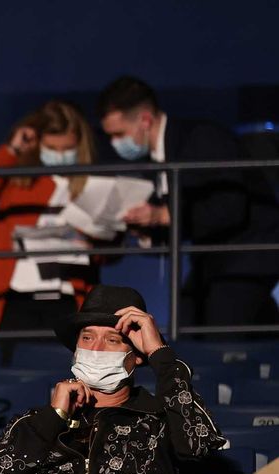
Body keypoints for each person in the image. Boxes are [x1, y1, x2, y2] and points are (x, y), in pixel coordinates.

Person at [0, 285, 226, 474]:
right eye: (86, 337)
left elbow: (199, 444)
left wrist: (161, 355)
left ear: (138, 356)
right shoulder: (36, 422)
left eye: (112, 340)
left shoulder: (160, 418)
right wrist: (53, 418)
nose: (96, 349)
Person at [97, 76, 279, 329]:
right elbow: (183, 217)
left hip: (246, 256)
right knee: (188, 323)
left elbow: (230, 207)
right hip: (214, 262)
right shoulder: (158, 158)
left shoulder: (201, 138)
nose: (115, 143)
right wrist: (146, 229)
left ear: (145, 120)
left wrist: (163, 215)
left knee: (214, 331)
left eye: (119, 134)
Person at [0, 101, 114, 344]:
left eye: (68, 149)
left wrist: (91, 244)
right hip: (13, 297)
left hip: (67, 298)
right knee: (9, 371)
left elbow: (111, 249)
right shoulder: (21, 175)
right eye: (52, 148)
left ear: (79, 146)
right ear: (39, 144)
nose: (60, 155)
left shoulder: (93, 183)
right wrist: (13, 148)